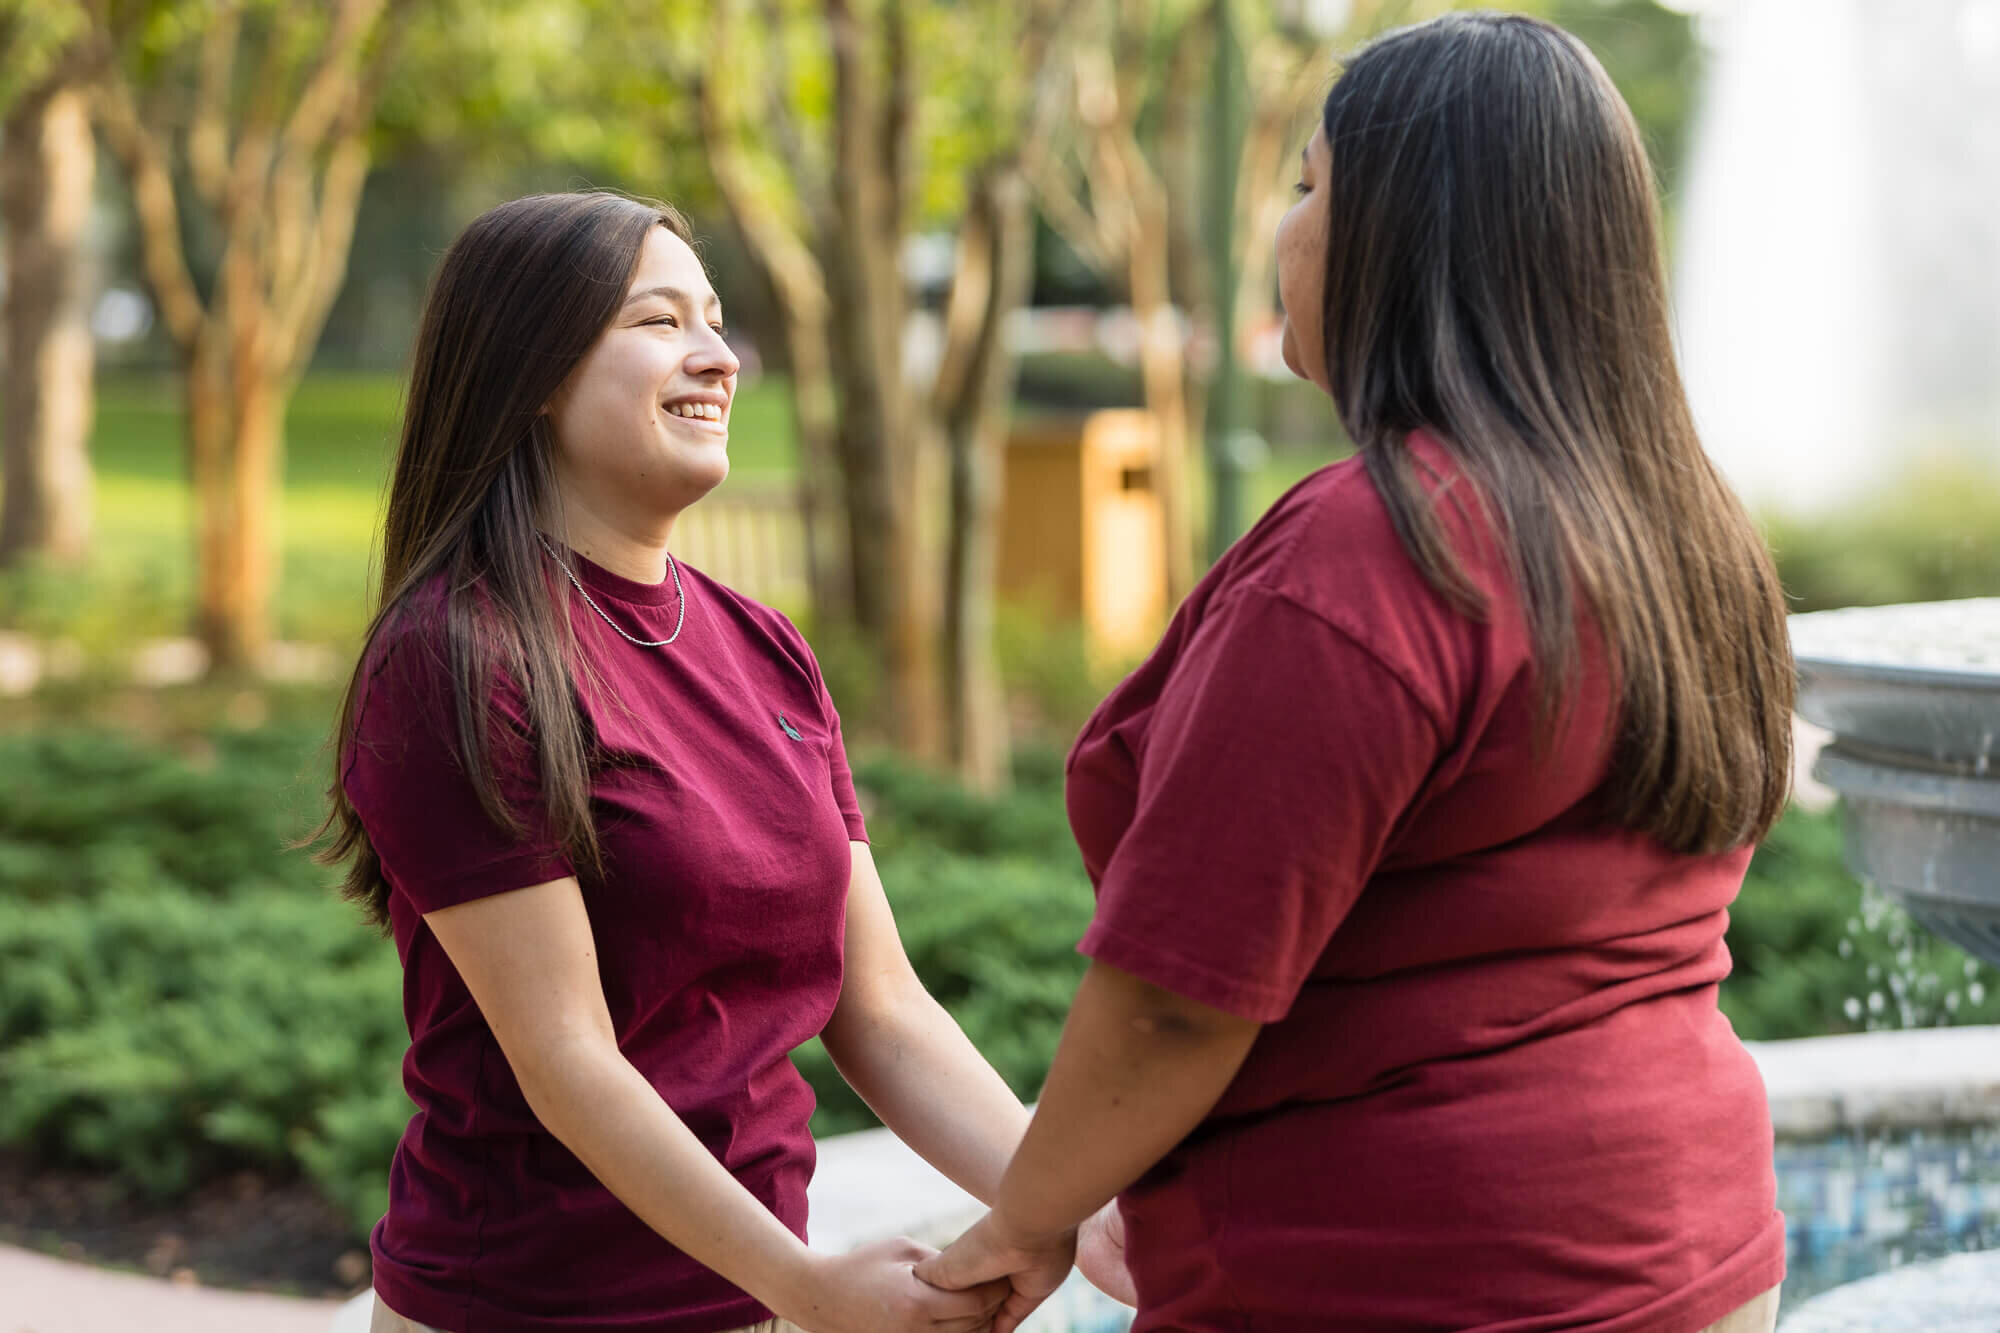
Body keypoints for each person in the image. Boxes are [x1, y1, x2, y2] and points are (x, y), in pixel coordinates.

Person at [917, 13, 1795, 1333]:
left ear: (1410, 232)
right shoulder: (1686, 529)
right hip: (1702, 1255)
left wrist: (1025, 1219)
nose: (1289, 228)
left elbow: (1174, 1003)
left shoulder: (1377, 552)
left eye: (1311, 187)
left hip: (1406, 1280)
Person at [317, 192, 1108, 1333]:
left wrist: (1071, 1206)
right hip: (531, 1310)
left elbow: (879, 1009)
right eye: (657, 322)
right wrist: (800, 1284)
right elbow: (568, 1059)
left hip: (746, 1300)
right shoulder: (458, 657)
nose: (717, 356)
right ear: (530, 369)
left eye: (716, 318)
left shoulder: (763, 648)